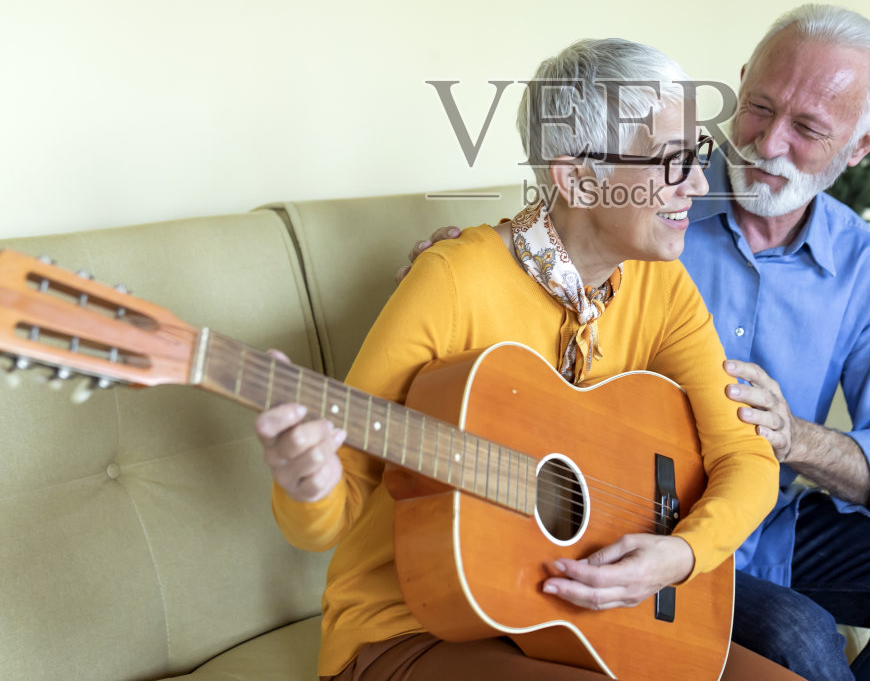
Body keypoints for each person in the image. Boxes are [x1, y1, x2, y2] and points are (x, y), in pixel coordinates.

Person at [405, 5, 870, 680]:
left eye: (809, 127)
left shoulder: (865, 267)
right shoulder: (649, 216)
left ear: (863, 144)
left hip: (776, 514)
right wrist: (475, 268)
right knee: (800, 636)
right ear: (741, 83)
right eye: (758, 107)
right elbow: (558, 235)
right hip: (629, 509)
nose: (769, 142)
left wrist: (797, 439)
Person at [255, 38, 795, 681]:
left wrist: (681, 555)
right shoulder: (453, 280)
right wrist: (307, 483)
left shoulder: (665, 289)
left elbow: (746, 456)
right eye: (671, 162)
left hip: (580, 619)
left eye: (696, 155)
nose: (700, 185)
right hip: (415, 626)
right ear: (577, 176)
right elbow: (334, 507)